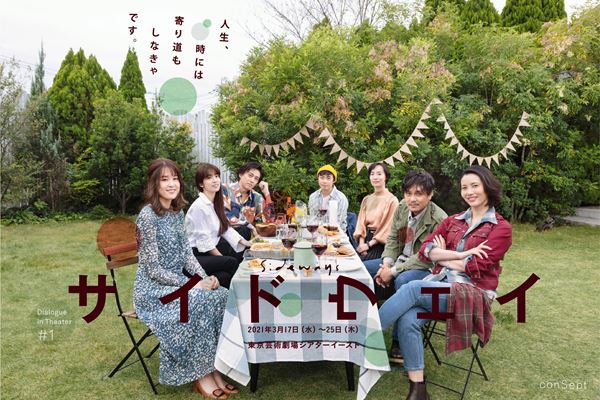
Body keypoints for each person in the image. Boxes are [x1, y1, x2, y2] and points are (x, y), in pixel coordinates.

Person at [377, 166, 512, 400]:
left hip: (472, 295)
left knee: (412, 287)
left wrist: (443, 255)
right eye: (464, 187)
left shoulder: (501, 229)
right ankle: (418, 390)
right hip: (440, 285)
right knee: (409, 319)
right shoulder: (453, 221)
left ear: (487, 187)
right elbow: (426, 251)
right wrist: (460, 255)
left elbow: (476, 266)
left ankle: (364, 335)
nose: (469, 192)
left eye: (474, 186)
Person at [134, 158, 236, 399]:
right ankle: (201, 375)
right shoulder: (147, 217)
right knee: (199, 300)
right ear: (154, 184)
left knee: (221, 295)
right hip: (153, 290)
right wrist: (192, 283)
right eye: (164, 179)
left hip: (179, 283)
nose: (172, 184)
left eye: (175, 178)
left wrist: (206, 278)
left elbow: (187, 256)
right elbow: (153, 270)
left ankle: (213, 368)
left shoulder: (177, 213)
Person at [362, 170, 446, 363]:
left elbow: (425, 256)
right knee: (363, 270)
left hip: (425, 267)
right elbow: (393, 238)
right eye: (408, 193)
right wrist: (386, 264)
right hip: (399, 260)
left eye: (419, 194)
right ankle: (356, 324)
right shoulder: (402, 207)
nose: (412, 199)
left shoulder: (439, 219)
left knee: (404, 280)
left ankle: (398, 341)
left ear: (430, 195)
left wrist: (392, 272)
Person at [186, 163, 252, 289]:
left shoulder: (215, 203)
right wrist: (222, 259)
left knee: (224, 276)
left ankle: (223, 295)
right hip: (194, 256)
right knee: (231, 262)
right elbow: (204, 241)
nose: (215, 180)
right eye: (209, 177)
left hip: (207, 252)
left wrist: (247, 243)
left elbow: (225, 228)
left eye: (216, 176)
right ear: (201, 184)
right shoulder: (199, 206)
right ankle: (241, 294)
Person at [353, 162, 399, 261]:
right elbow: (361, 223)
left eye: (379, 174)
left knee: (360, 266)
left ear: (386, 176)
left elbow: (388, 229)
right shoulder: (366, 199)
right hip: (364, 241)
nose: (375, 177)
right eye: (372, 174)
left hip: (380, 245)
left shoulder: (392, 200)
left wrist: (368, 245)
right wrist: (362, 244)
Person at [223, 161, 275, 239]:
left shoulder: (257, 197)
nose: (252, 180)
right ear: (240, 174)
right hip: (223, 239)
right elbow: (225, 216)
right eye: (250, 175)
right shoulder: (225, 189)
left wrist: (267, 194)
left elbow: (269, 221)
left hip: (246, 241)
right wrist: (251, 227)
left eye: (256, 179)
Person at [308, 164, 349, 233]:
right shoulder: (313, 197)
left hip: (336, 234)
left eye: (328, 178)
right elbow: (313, 219)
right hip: (317, 233)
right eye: (322, 178)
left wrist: (323, 231)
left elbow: (337, 223)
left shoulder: (341, 198)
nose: (324, 181)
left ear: (333, 180)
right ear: (318, 179)